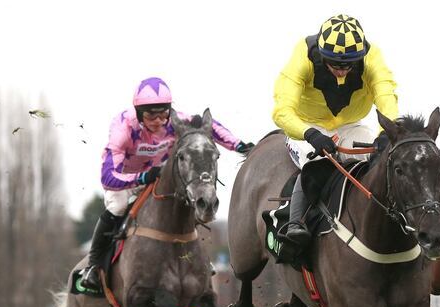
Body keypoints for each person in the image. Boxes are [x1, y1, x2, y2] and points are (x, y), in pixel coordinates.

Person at [78, 77, 252, 291]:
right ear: (139, 113)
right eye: (152, 115)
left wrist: (239, 145)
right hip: (124, 180)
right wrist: (140, 178)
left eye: (163, 113)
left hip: (158, 175)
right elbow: (108, 177)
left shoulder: (175, 120)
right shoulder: (122, 128)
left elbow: (210, 127)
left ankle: (196, 258)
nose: (159, 121)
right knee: (117, 207)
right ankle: (94, 266)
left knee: (184, 200)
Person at [272, 13, 399, 251]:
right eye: (335, 64)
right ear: (321, 55)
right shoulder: (302, 56)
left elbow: (387, 99)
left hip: (351, 125)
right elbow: (282, 111)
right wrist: (310, 134)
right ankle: (295, 223)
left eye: (348, 65)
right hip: (306, 126)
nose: (341, 70)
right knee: (320, 160)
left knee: (381, 159)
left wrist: (385, 133)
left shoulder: (373, 58)